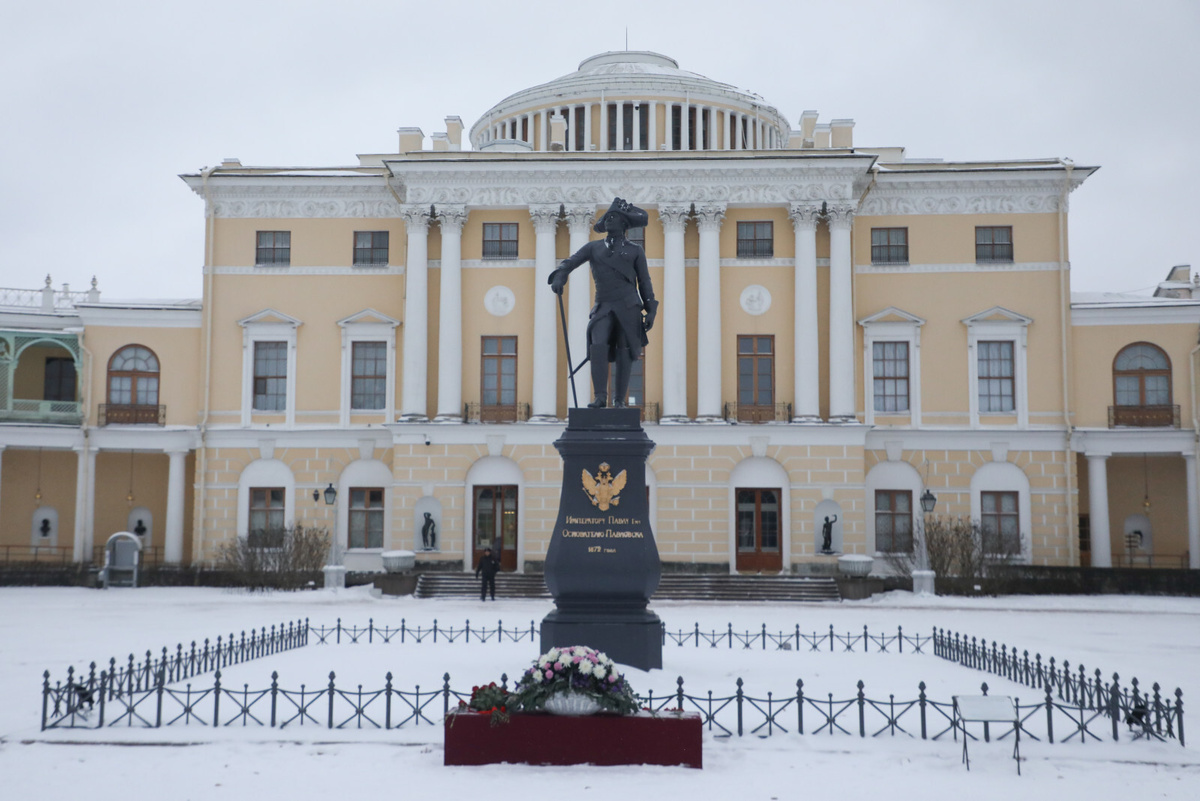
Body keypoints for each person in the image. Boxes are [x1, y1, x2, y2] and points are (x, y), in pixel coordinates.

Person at [548, 197, 657, 408]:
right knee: (597, 346)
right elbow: (571, 262)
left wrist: (651, 309)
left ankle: (619, 400)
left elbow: (644, 281)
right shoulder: (594, 248)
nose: (608, 220)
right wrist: (561, 275)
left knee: (624, 350)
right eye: (607, 217)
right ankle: (600, 397)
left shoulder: (635, 251)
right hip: (604, 305)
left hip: (628, 306)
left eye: (613, 217)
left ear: (624, 224)